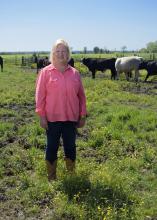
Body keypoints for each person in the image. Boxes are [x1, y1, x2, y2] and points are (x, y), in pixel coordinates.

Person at [35, 39, 87, 181]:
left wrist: (82, 115)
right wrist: (41, 115)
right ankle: (52, 178)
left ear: (68, 54)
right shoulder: (45, 72)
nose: (60, 54)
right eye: (57, 51)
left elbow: (81, 96)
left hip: (71, 118)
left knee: (70, 147)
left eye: (64, 51)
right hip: (52, 119)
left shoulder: (75, 73)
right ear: (52, 54)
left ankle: (71, 176)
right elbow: (40, 96)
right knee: (52, 147)